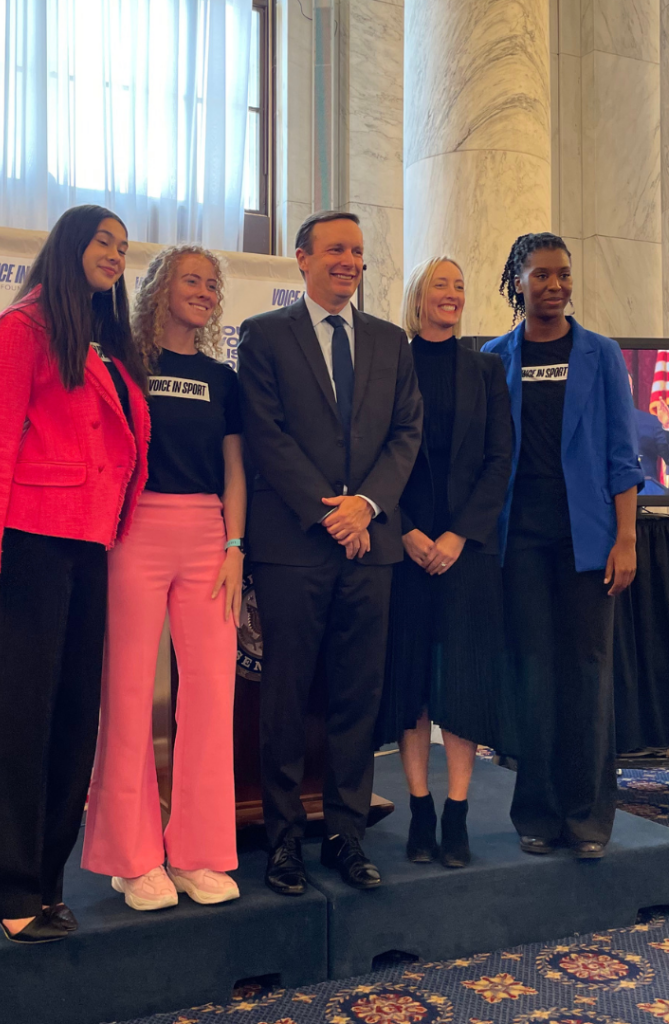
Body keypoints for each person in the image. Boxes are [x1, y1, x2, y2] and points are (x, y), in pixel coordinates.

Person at [0, 205, 151, 943]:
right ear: (70, 244)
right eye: (105, 241)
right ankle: (3, 883)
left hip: (90, 546)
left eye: (125, 248)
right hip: (26, 544)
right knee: (19, 721)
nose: (116, 256)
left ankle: (44, 876)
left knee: (71, 722)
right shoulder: (24, 326)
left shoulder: (104, 341)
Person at [238, 210, 422, 895]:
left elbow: (406, 434)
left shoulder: (388, 343)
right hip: (294, 549)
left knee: (356, 698)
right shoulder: (263, 337)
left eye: (358, 252)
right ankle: (283, 843)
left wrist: (364, 508)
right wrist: (330, 514)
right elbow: (267, 437)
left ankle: (347, 837)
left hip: (370, 550)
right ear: (302, 258)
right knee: (284, 699)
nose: (349, 260)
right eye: (336, 249)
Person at [82, 245, 245, 911]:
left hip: (210, 537)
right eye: (191, 280)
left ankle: (199, 853)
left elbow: (236, 468)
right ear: (159, 288)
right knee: (125, 697)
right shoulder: (122, 365)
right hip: (134, 533)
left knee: (211, 698)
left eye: (212, 284)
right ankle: (132, 858)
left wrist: (236, 544)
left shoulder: (222, 378)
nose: (204, 291)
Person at [483, 232, 643, 860]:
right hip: (519, 542)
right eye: (542, 275)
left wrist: (626, 538)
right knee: (534, 677)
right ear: (518, 282)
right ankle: (538, 814)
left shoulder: (601, 355)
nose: (555, 286)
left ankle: (588, 818)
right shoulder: (496, 358)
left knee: (589, 676)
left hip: (589, 544)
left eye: (563, 275)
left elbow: (620, 455)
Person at [375, 256, 512, 868]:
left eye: (460, 285)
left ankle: (457, 811)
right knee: (412, 689)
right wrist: (404, 531)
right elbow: (375, 452)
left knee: (461, 685)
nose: (452, 294)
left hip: (466, 555)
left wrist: (458, 536)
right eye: (441, 285)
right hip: (403, 552)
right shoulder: (389, 362)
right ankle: (420, 808)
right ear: (418, 296)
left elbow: (499, 461)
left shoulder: (486, 368)